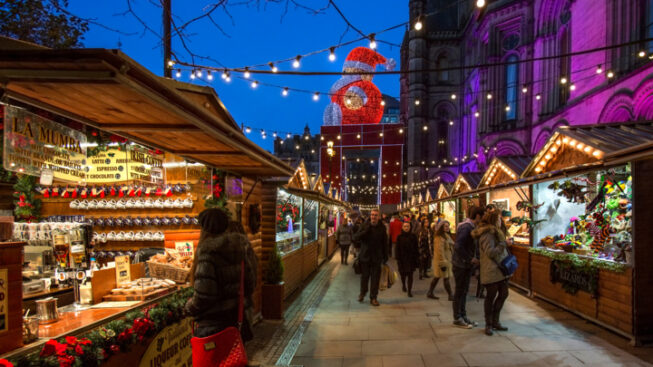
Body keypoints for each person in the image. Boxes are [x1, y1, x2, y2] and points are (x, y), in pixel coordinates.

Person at [186, 208, 258, 341]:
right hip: (235, 321)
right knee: (234, 360)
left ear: (205, 229)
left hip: (213, 325)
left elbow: (204, 296)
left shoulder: (208, 254)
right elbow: (250, 284)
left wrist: (189, 306)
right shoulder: (239, 249)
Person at [472, 210, 511, 336]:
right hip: (491, 269)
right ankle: (489, 324)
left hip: (500, 269)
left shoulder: (496, 232)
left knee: (504, 293)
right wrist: (504, 244)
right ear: (494, 220)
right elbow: (490, 252)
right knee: (491, 296)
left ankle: (495, 321)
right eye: (499, 219)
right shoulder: (487, 234)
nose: (501, 221)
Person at [451, 205, 486, 329]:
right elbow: (458, 246)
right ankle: (457, 318)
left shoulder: (468, 226)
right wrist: (470, 258)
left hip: (463, 264)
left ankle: (463, 316)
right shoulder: (467, 228)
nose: (483, 219)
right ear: (477, 216)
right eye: (483, 216)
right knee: (460, 292)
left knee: (463, 291)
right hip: (461, 265)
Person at [353, 208, 389, 306]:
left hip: (377, 257)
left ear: (379, 216)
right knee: (364, 277)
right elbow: (355, 237)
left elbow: (385, 243)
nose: (373, 217)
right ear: (370, 216)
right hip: (365, 256)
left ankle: (373, 297)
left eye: (375, 215)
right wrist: (365, 231)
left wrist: (386, 256)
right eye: (372, 215)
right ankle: (362, 293)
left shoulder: (382, 227)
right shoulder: (364, 225)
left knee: (375, 278)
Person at [427, 220, 454, 301]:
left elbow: (452, 244)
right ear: (441, 227)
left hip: (447, 260)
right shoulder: (439, 237)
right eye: (445, 226)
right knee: (445, 278)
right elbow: (439, 251)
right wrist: (443, 262)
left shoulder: (446, 235)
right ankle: (450, 295)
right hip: (442, 261)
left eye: (448, 226)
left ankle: (430, 292)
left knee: (437, 277)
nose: (447, 227)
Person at [395, 221, 419, 297]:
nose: (406, 228)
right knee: (403, 275)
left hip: (411, 259)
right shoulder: (399, 237)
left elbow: (416, 248)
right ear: (402, 227)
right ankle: (403, 285)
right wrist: (398, 258)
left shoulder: (413, 236)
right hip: (402, 259)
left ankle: (409, 290)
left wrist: (417, 257)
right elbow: (397, 249)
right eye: (405, 226)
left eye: (407, 226)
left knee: (410, 275)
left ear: (410, 227)